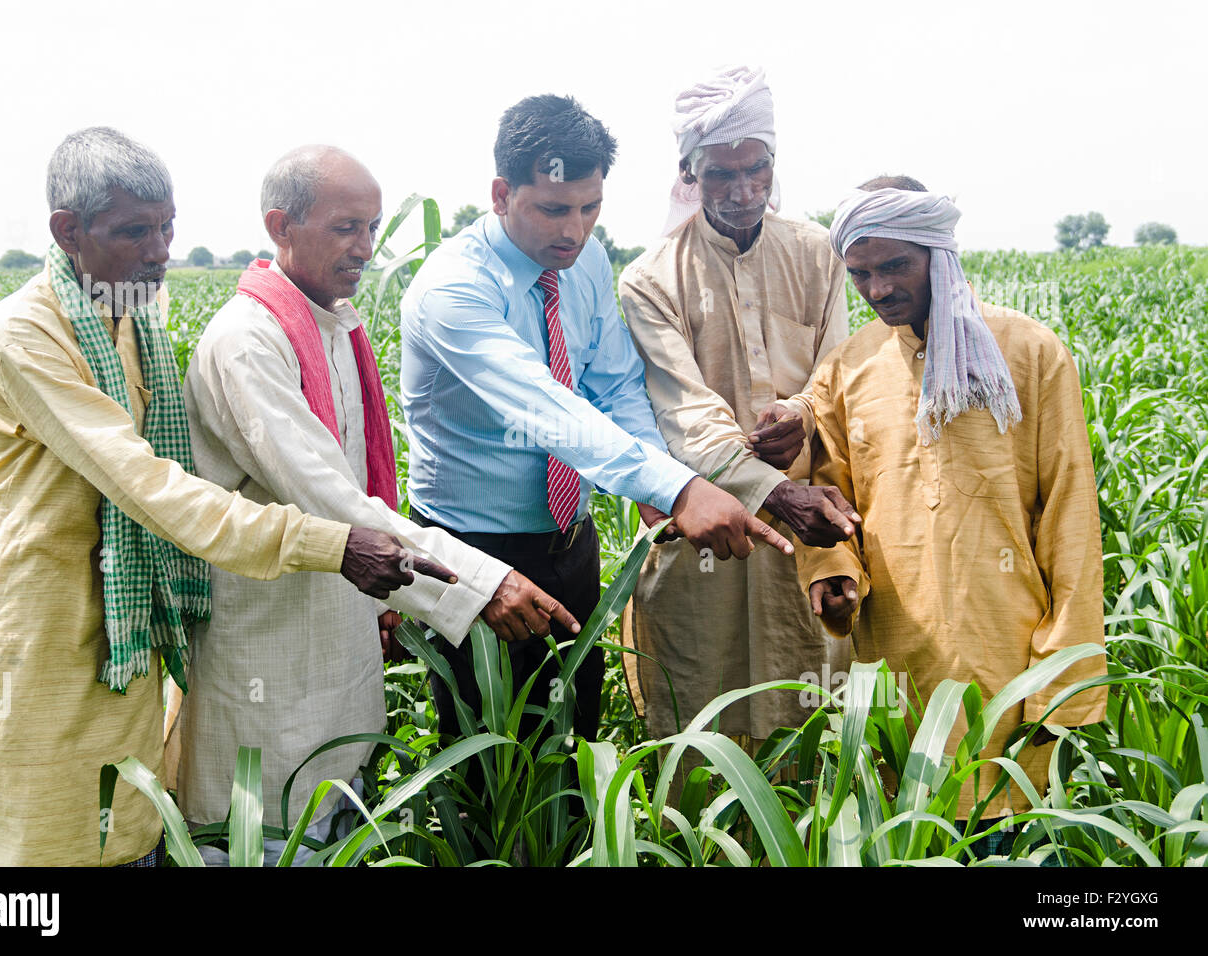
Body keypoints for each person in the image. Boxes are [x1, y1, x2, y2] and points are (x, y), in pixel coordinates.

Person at [0, 128, 454, 866]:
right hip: (39, 618)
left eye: (167, 227)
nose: (160, 250)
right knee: (34, 821)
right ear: (68, 232)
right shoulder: (26, 331)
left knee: (126, 811)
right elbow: (147, 483)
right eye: (135, 232)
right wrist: (328, 542)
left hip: (128, 608)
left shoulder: (134, 321)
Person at [177, 145, 578, 863]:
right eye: (345, 228)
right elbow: (329, 496)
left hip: (336, 634)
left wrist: (386, 603)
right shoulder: (247, 342)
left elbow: (364, 485)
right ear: (281, 225)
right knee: (265, 831)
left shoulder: (333, 325)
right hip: (268, 639)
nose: (365, 247)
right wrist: (480, 583)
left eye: (373, 227)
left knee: (335, 814)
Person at [401, 95, 792, 747]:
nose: (575, 231)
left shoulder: (581, 264)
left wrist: (652, 482)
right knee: (483, 753)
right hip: (475, 549)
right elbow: (547, 410)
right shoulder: (452, 289)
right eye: (554, 209)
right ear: (501, 194)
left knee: (569, 738)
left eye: (590, 208)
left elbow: (612, 385)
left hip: (568, 541)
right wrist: (679, 488)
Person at [796, 176, 1108, 823]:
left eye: (894, 266)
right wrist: (832, 571)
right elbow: (828, 504)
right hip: (896, 665)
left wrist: (1061, 683)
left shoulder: (1029, 354)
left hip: (1013, 662)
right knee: (913, 827)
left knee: (1015, 835)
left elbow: (1071, 522)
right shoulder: (847, 370)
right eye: (860, 274)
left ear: (938, 252)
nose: (878, 289)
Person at [619, 66, 859, 759]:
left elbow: (839, 370)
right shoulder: (651, 279)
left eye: (757, 170)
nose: (744, 191)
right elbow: (685, 411)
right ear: (689, 174)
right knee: (703, 731)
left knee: (815, 722)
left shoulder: (818, 253)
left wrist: (804, 412)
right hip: (709, 526)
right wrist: (779, 493)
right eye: (722, 176)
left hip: (818, 528)